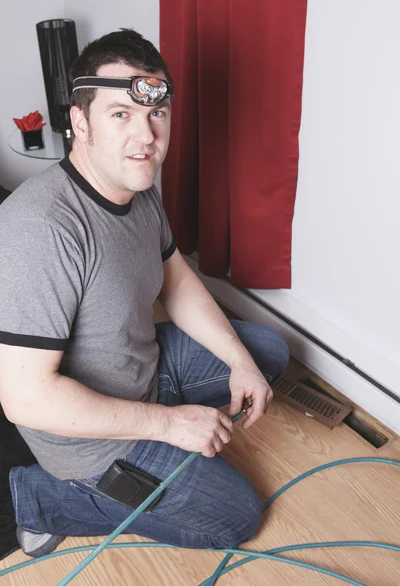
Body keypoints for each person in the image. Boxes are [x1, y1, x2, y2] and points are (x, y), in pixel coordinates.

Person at [0, 28, 289, 558]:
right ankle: (42, 497)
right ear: (80, 122)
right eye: (120, 115)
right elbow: (24, 397)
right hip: (88, 439)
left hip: (146, 370)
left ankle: (178, 420)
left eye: (156, 114)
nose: (146, 136)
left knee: (265, 354)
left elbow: (176, 279)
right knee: (234, 519)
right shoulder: (40, 226)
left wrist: (238, 362)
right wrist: (170, 425)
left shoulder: (138, 186)